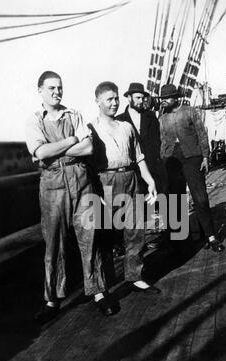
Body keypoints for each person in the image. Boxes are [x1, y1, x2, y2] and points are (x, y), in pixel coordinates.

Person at [25, 71, 112, 323]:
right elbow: (40, 151)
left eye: (60, 87)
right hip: (52, 184)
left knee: (90, 235)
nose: (57, 92)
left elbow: (89, 147)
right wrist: (72, 139)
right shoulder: (34, 121)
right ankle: (52, 299)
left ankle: (98, 292)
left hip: (81, 180)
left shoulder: (74, 115)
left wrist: (58, 147)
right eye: (51, 88)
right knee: (54, 243)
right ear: (40, 90)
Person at [89, 81, 161, 294]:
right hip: (106, 181)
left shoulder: (126, 127)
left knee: (135, 231)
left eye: (116, 98)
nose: (114, 103)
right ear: (98, 101)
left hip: (130, 178)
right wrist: (97, 191)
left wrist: (150, 181)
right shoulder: (91, 128)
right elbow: (90, 166)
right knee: (104, 235)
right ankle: (102, 287)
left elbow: (139, 157)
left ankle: (135, 276)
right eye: (109, 99)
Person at [159, 83, 225, 252]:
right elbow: (162, 141)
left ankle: (211, 237)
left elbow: (202, 134)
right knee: (176, 200)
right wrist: (163, 160)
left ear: (176, 98)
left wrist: (205, 156)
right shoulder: (162, 117)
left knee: (200, 198)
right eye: (163, 99)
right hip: (172, 160)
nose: (164, 101)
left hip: (192, 158)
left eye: (167, 98)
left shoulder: (189, 111)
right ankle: (181, 240)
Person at [116, 82, 166, 249]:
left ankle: (169, 240)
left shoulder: (151, 117)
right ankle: (139, 243)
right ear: (128, 98)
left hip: (152, 168)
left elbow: (157, 142)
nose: (140, 101)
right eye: (137, 98)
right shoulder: (120, 121)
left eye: (142, 98)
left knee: (160, 203)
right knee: (137, 209)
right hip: (133, 172)